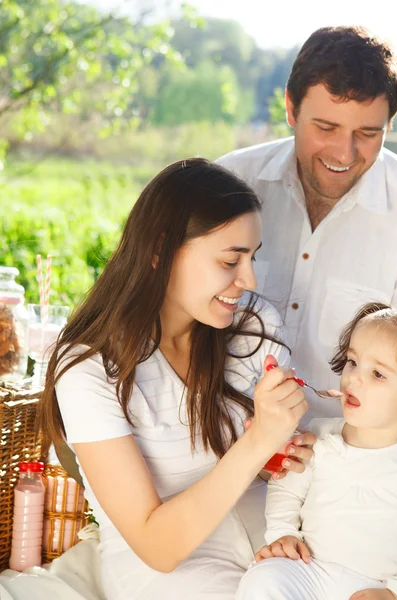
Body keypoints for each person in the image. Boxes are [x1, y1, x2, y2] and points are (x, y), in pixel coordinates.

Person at [36, 158, 317, 600]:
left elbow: (269, 467)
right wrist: (258, 441)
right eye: (230, 260)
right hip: (173, 574)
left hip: (276, 548)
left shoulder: (251, 325)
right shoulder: (89, 368)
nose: (249, 279)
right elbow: (157, 547)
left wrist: (281, 454)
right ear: (160, 251)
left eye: (253, 257)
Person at [216, 26, 397, 423]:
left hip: (344, 465)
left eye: (367, 133)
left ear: (390, 125)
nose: (344, 154)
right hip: (215, 442)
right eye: (326, 128)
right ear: (291, 108)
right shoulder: (229, 182)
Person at [235, 301, 397, 600]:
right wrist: (283, 534)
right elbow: (287, 491)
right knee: (265, 577)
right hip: (312, 571)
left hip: (381, 586)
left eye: (378, 374)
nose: (353, 377)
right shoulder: (318, 437)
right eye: (352, 362)